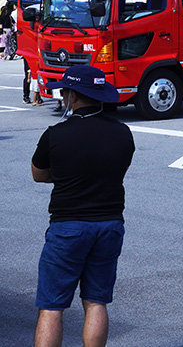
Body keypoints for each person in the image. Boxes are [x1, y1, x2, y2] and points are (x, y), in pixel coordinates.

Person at [31, 65, 135, 347]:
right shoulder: (123, 133)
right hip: (110, 224)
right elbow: (119, 169)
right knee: (97, 301)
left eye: (65, 92)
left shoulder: (56, 134)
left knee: (52, 306)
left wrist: (66, 175)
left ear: (73, 96)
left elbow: (38, 174)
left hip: (68, 225)